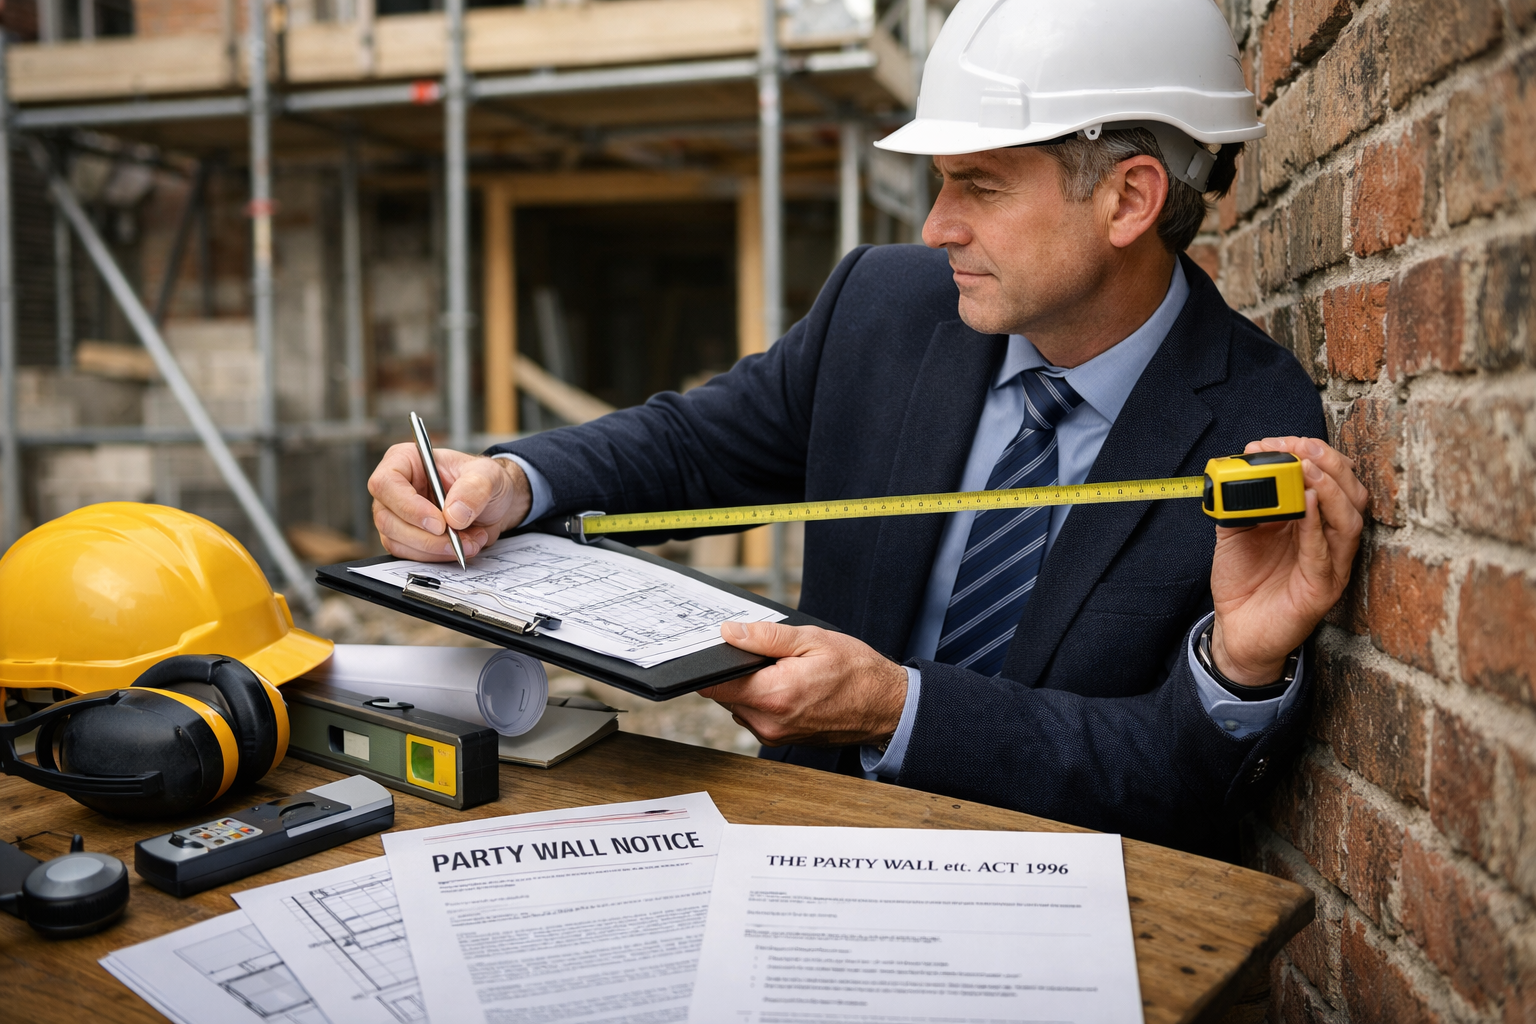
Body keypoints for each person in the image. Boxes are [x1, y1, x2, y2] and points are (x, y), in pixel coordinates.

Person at [368, 0, 1367, 858]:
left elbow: (1170, 770)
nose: (936, 228)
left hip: (1053, 911)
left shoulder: (1252, 430)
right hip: (795, 843)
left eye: (976, 183)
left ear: (1129, 198)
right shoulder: (885, 305)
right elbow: (697, 442)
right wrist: (509, 480)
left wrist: (1233, 671)